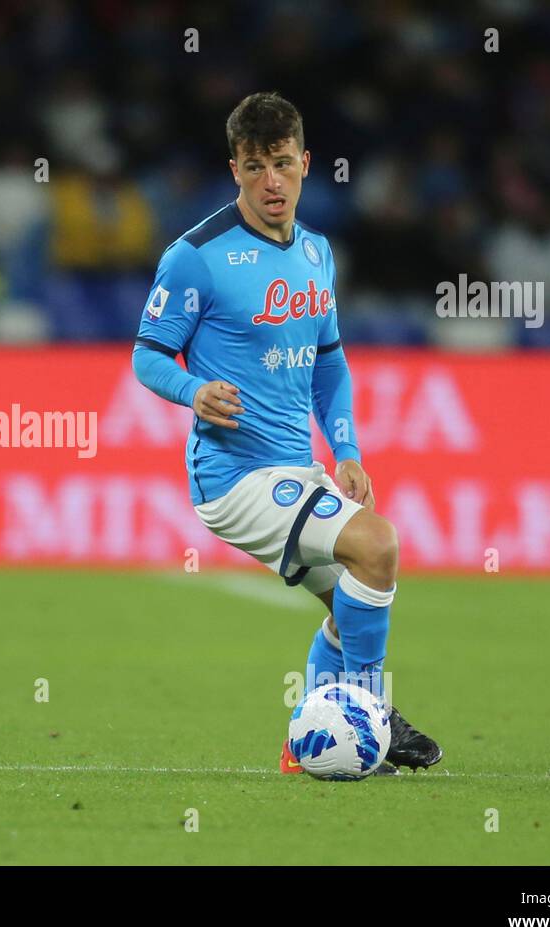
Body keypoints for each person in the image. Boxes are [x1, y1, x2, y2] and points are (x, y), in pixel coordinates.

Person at [131, 92, 442, 774]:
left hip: (296, 469)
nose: (270, 181)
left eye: (280, 164)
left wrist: (349, 450)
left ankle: (308, 743)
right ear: (234, 169)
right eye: (252, 166)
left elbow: (329, 362)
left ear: (305, 163)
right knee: (378, 543)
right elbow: (147, 354)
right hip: (235, 476)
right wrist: (192, 389)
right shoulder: (198, 256)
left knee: (352, 602)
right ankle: (371, 716)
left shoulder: (318, 254)